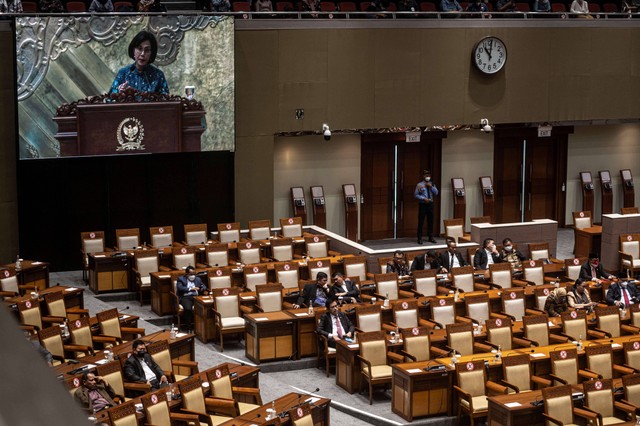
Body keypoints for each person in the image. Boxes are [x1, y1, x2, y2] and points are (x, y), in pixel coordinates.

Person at [110, 31, 169, 95]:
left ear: (151, 53)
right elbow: (109, 100)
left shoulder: (158, 76)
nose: (143, 54)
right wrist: (119, 93)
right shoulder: (123, 73)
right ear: (133, 50)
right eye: (139, 49)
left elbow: (166, 102)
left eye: (147, 50)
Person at [176, 265, 207, 332]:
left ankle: (201, 328)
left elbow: (204, 286)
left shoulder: (198, 279)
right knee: (188, 309)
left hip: (196, 297)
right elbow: (180, 288)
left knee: (205, 307)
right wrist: (190, 289)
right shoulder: (181, 279)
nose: (193, 276)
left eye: (194, 274)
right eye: (191, 274)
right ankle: (188, 327)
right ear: (186, 274)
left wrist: (200, 289)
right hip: (186, 297)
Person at [414, 170, 438, 244]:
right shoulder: (419, 185)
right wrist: (423, 198)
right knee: (421, 221)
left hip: (430, 204)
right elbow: (416, 195)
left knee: (430, 221)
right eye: (426, 175)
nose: (428, 177)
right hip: (423, 204)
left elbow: (436, 193)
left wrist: (431, 187)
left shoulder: (432, 184)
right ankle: (419, 238)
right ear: (423, 176)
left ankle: (430, 237)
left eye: (429, 175)